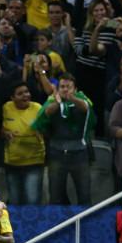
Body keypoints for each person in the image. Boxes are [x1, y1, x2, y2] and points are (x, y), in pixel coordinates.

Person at [34, 73, 96, 205]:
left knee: (84, 195)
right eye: (62, 87)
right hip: (57, 154)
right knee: (55, 196)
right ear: (58, 89)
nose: (66, 90)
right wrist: (58, 103)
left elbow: (86, 109)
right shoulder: (52, 100)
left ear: (75, 89)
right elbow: (46, 112)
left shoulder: (82, 98)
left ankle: (85, 224)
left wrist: (72, 98)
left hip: (80, 154)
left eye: (69, 87)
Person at [2, 81, 45, 205]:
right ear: (12, 98)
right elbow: (2, 128)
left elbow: (47, 130)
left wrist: (42, 132)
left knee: (32, 200)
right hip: (12, 163)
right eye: (20, 93)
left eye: (27, 92)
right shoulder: (7, 107)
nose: (25, 95)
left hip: (34, 163)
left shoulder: (37, 108)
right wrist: (5, 133)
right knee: (14, 201)